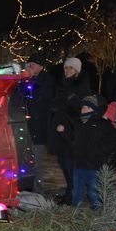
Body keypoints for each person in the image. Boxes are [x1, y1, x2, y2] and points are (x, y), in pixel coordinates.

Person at [48, 57, 92, 204]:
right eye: (66, 68)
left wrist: (67, 125)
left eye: (71, 68)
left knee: (70, 164)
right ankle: (69, 192)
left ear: (77, 71)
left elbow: (82, 110)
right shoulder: (62, 84)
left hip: (72, 131)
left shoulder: (82, 86)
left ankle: (73, 195)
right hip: (59, 129)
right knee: (64, 164)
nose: (67, 71)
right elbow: (56, 105)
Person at [69, 96, 116, 209]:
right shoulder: (77, 123)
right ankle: (75, 211)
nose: (84, 110)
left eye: (88, 107)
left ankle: (98, 211)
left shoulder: (103, 124)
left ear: (95, 109)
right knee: (76, 190)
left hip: (95, 165)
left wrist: (99, 153)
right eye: (83, 107)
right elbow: (72, 140)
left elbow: (112, 143)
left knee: (94, 191)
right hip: (79, 164)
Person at [23, 53, 56, 193]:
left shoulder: (47, 81)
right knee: (27, 161)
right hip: (27, 128)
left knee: (37, 162)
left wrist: (31, 82)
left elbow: (44, 98)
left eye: (33, 65)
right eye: (29, 65)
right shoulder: (27, 81)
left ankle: (38, 190)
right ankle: (29, 187)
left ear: (41, 67)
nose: (30, 67)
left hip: (39, 129)